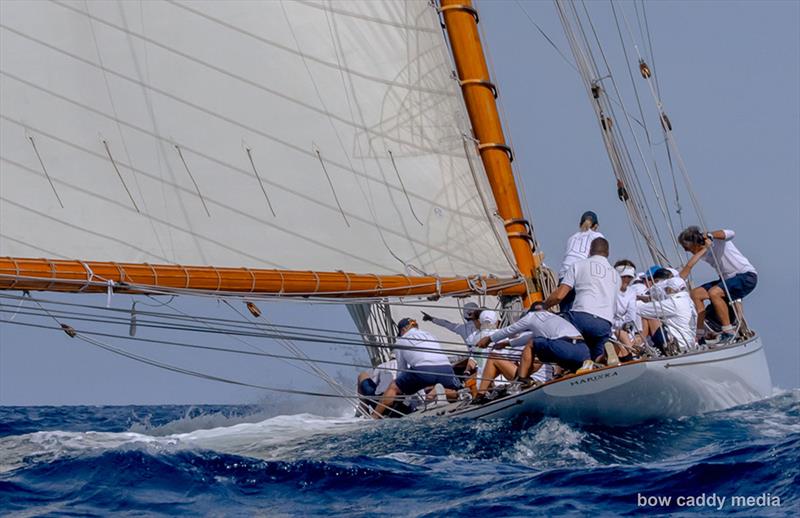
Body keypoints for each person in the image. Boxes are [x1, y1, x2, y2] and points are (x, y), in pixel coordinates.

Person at [544, 237, 620, 362]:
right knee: (597, 358)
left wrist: (544, 305)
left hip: (581, 316)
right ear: (608, 253)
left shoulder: (578, 265)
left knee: (556, 334)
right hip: (604, 322)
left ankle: (560, 370)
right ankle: (606, 354)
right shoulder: (616, 275)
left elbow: (559, 296)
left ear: (589, 251)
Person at [678, 226, 758, 343]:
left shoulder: (718, 241)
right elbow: (689, 266)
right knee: (695, 294)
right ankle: (699, 335)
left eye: (686, 247)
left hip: (746, 276)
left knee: (714, 292)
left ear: (693, 243)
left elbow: (731, 233)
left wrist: (710, 235)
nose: (685, 250)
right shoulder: (703, 252)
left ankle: (728, 331)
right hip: (727, 280)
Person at [371, 318, 461, 419]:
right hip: (446, 368)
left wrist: (404, 391)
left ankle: (374, 416)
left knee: (393, 387)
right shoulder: (430, 335)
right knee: (455, 393)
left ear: (403, 330)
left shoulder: (401, 341)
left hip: (424, 370)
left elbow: (402, 370)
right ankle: (439, 391)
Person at [476, 303, 590, 376]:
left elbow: (511, 329)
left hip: (563, 348)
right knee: (539, 342)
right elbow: (531, 335)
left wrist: (489, 339)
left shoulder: (531, 317)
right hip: (583, 350)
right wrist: (508, 343)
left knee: (532, 344)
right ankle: (581, 369)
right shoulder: (554, 317)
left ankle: (521, 379)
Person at [636, 267, 697, 354]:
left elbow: (640, 309)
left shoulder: (673, 303)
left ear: (670, 289)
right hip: (690, 342)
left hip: (679, 345)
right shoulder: (687, 300)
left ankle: (640, 343)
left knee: (650, 317)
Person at [557, 211, 605, 312]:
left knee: (565, 312)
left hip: (563, 276)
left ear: (580, 224)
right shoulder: (597, 236)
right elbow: (599, 258)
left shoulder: (571, 238)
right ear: (596, 226)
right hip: (579, 275)